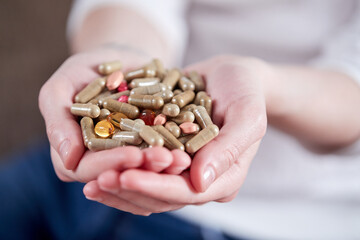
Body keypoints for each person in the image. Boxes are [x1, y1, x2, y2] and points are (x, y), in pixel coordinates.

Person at [1, 0, 360, 239]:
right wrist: (123, 50)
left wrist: (264, 87)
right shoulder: (130, 107)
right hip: (73, 167)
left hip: (255, 218)